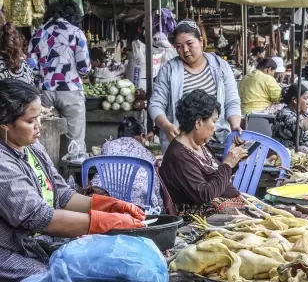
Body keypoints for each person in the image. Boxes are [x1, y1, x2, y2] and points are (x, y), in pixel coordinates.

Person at [0, 79, 145, 282]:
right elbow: (40, 218)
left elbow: (61, 195)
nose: (39, 125)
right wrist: (103, 222)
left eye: (39, 117)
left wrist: (107, 205)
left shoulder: (31, 147)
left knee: (103, 275)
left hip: (30, 249)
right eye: (30, 120)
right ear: (5, 124)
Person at [149, 19, 242, 154]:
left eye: (189, 44)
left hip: (217, 142)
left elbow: (232, 101)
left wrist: (235, 126)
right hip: (182, 143)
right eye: (179, 46)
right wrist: (167, 126)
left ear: (201, 41)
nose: (185, 50)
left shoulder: (221, 66)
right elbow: (155, 104)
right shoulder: (169, 70)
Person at [160, 89, 247, 216]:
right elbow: (205, 195)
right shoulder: (178, 156)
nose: (215, 128)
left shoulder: (200, 145)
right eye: (214, 121)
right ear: (198, 122)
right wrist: (227, 165)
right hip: (197, 216)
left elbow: (216, 176)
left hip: (224, 207)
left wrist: (234, 161)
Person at [28, 0, 91, 150]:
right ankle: (73, 171)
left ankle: (47, 169)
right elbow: (84, 68)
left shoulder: (38, 33)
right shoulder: (76, 33)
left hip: (45, 92)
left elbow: (31, 67)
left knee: (44, 137)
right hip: (71, 90)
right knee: (75, 140)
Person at [91, 117, 163, 212]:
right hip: (138, 204)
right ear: (141, 135)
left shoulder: (108, 145)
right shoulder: (147, 153)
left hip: (104, 198)